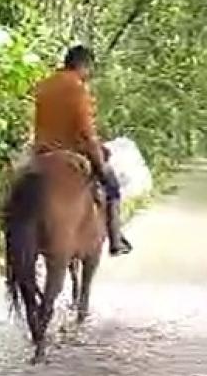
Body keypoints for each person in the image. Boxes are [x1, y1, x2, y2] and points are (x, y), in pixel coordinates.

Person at [32, 44, 132, 255]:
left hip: (40, 152)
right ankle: (115, 239)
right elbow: (86, 133)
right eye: (89, 69)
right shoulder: (78, 88)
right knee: (112, 186)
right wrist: (99, 160)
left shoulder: (44, 85)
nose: (89, 75)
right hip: (72, 153)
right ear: (84, 65)